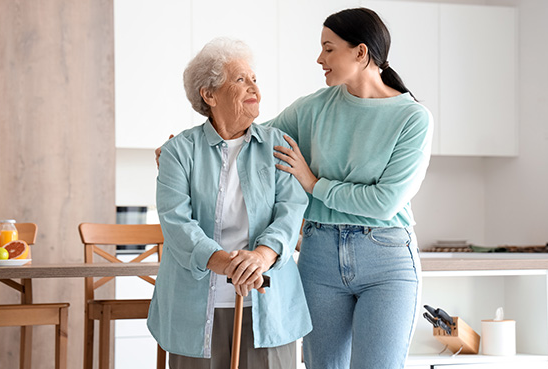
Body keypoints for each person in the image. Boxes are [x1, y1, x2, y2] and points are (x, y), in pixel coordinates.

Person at [156, 7, 433, 369]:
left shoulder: (412, 117)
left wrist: (314, 184)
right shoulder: (313, 108)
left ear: (361, 52)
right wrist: (183, 148)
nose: (320, 59)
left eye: (329, 49)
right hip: (320, 255)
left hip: (385, 257)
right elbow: (244, 134)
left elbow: (384, 202)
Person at [147, 37, 312, 369]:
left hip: (268, 303)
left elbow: (291, 210)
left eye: (254, 79)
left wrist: (261, 257)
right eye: (241, 79)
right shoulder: (179, 151)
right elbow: (177, 223)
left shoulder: (278, 144)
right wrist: (227, 263)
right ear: (209, 95)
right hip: (194, 309)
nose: (254, 87)